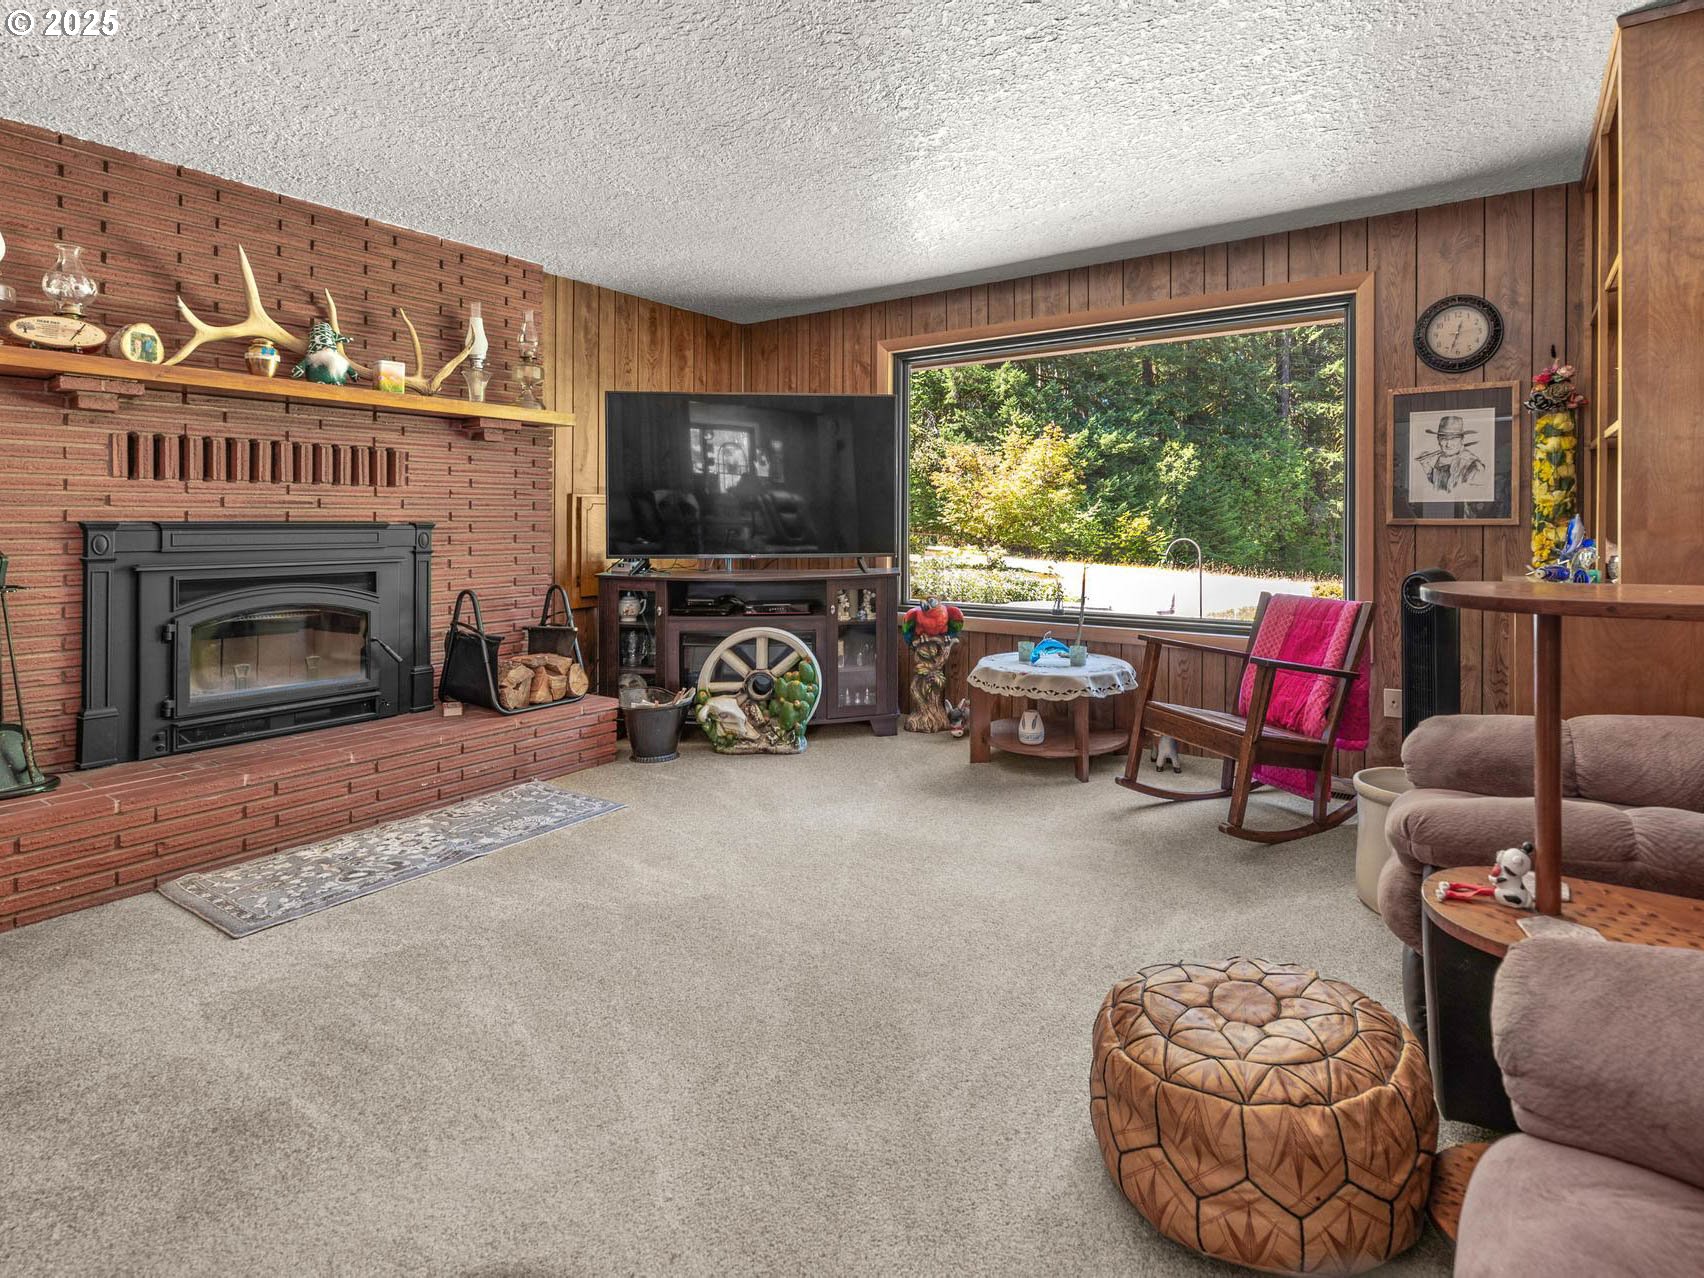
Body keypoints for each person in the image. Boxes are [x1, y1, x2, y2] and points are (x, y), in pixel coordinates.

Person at [1415, 414, 1485, 495]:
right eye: (1444, 439)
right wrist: (1427, 467)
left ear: (1462, 440)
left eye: (1453, 439)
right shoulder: (1442, 458)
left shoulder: (1472, 465)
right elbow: (1440, 487)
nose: (1448, 444)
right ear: (1438, 440)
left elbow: (1468, 493)